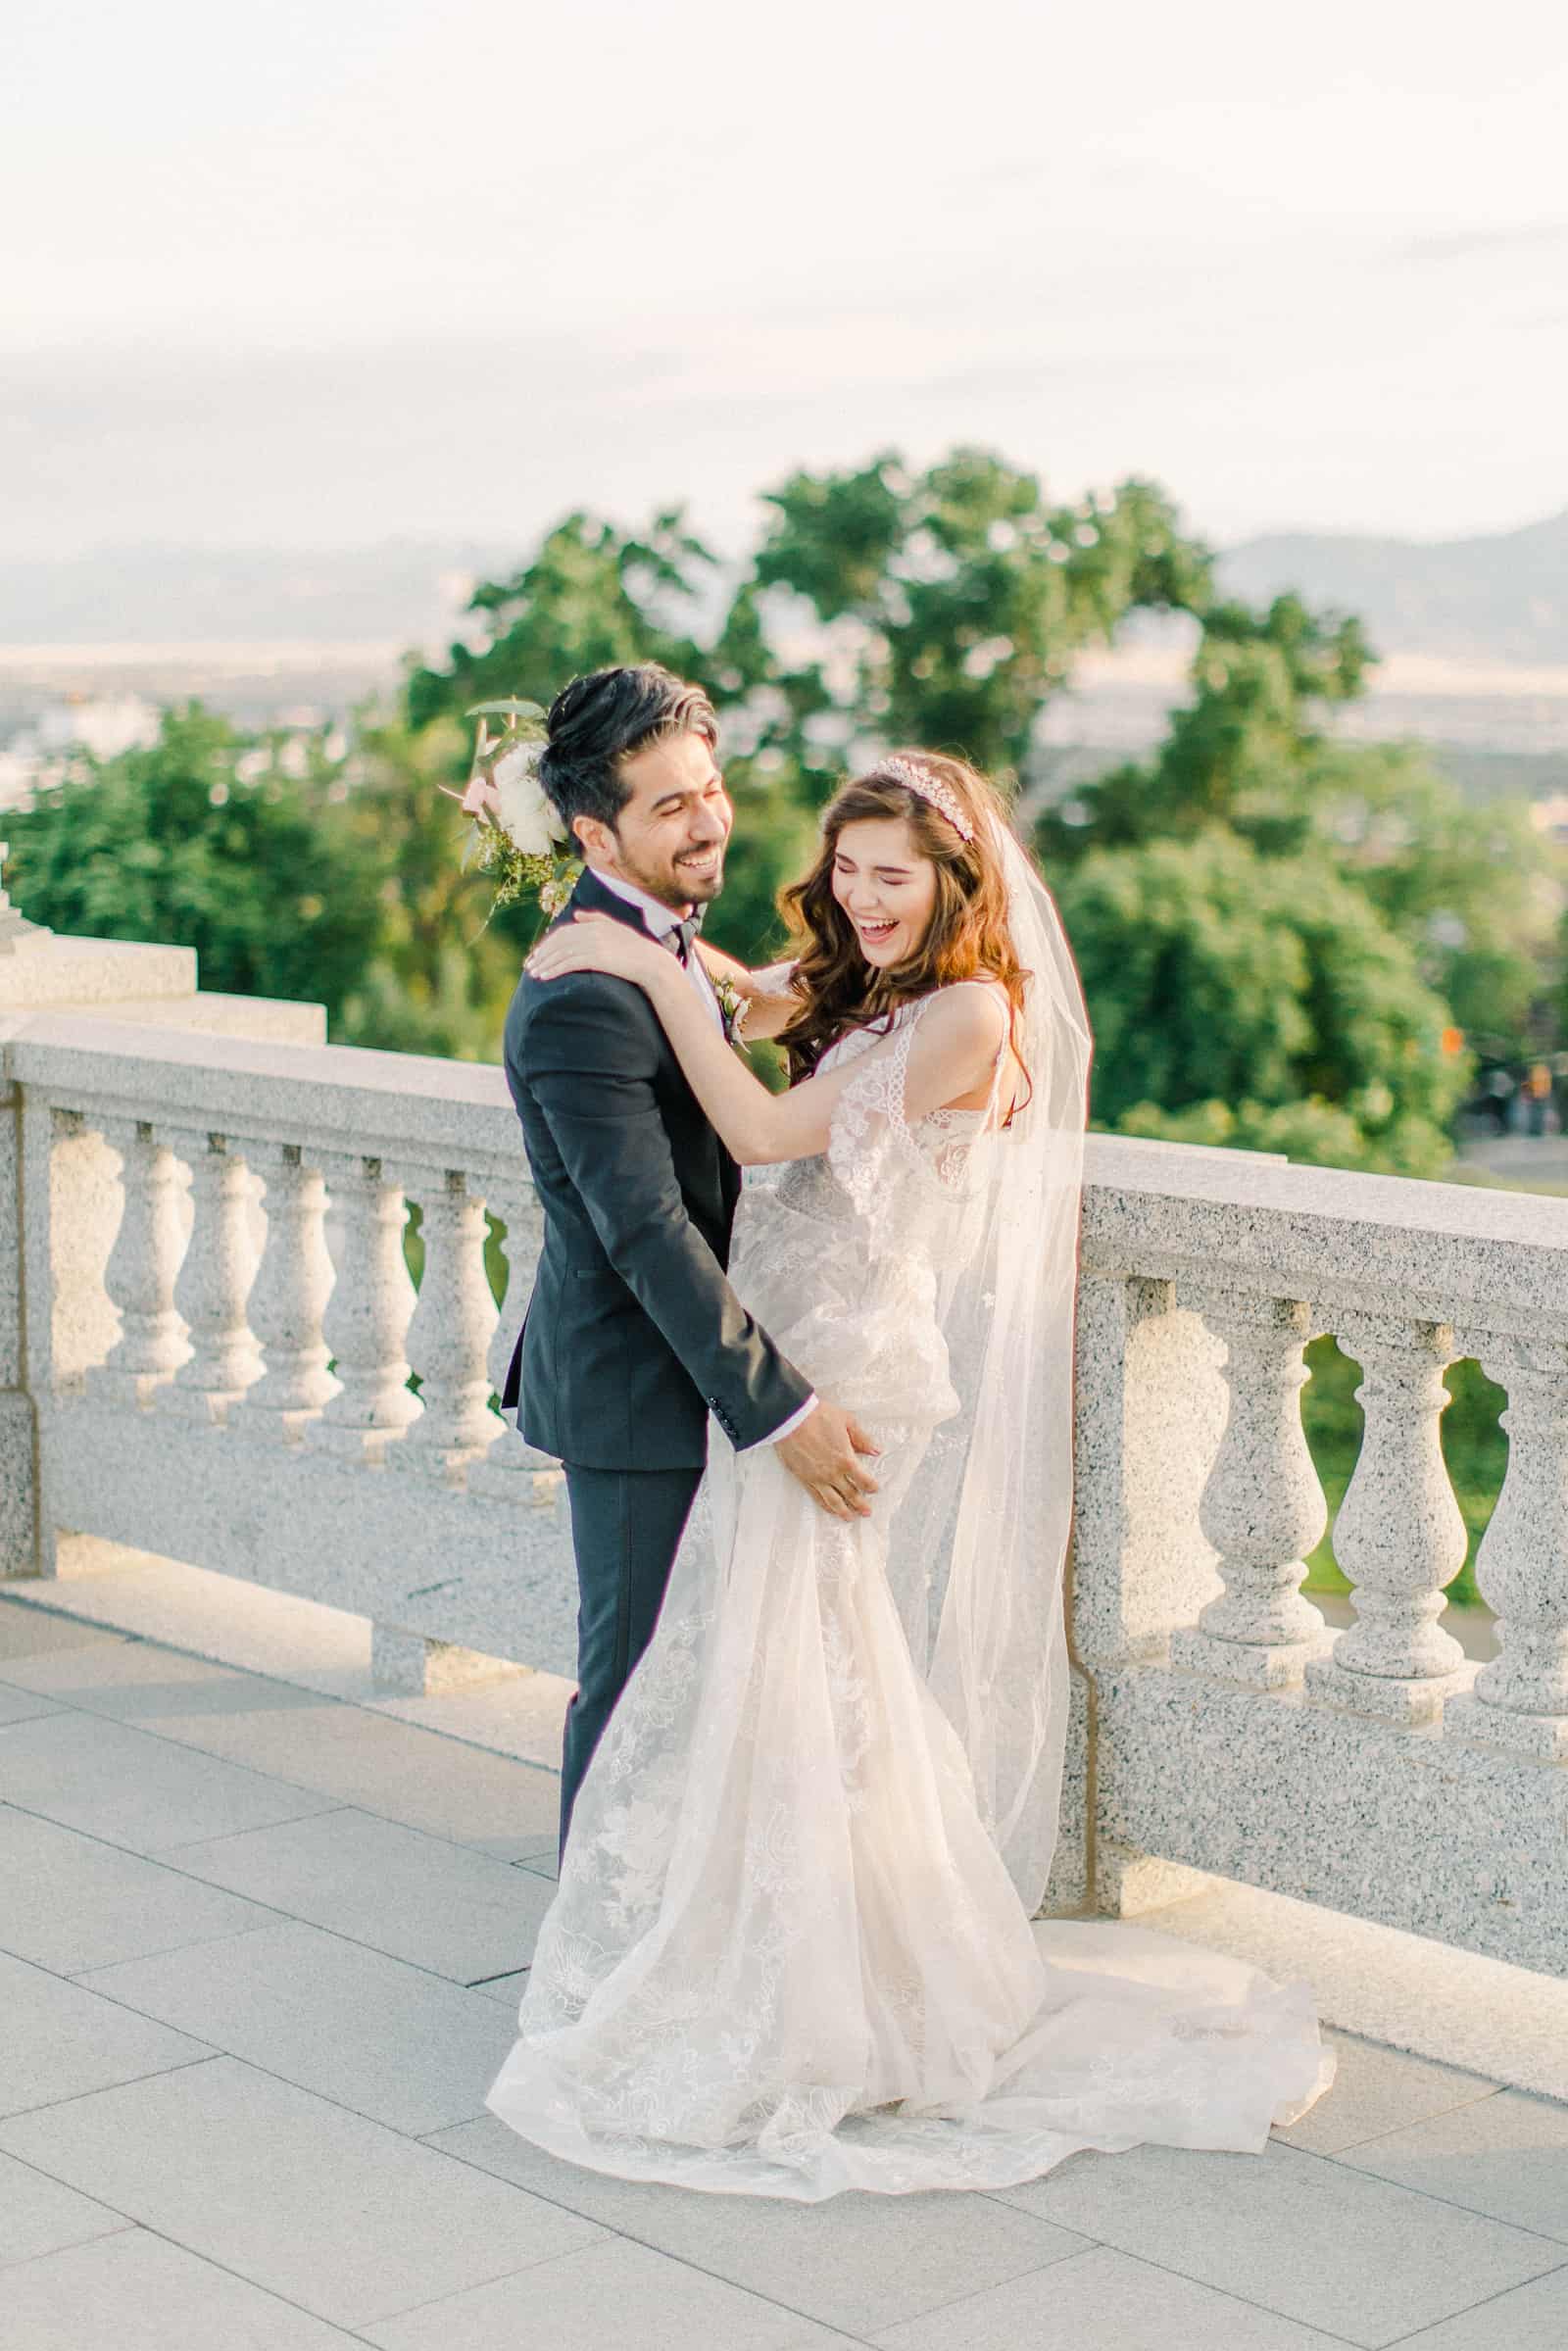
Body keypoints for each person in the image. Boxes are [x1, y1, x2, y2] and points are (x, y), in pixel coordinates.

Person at [485, 744, 1336, 2199]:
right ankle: (788, 1947)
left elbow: (753, 1123)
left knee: (786, 1653)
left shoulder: (970, 1013)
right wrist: (651, 942)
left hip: (839, 1375)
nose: (866, 898)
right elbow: (760, 999)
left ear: (961, 883)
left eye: (898, 874)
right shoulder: (872, 993)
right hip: (796, 1344)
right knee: (799, 1669)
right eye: (850, 871)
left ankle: (794, 1982)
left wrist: (619, 964)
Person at [498, 666, 882, 1860]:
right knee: (633, 1684)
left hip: (700, 1367)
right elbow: (642, 1230)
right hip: (632, 1389)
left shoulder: (657, 943)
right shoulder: (582, 995)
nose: (710, 820)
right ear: (592, 831)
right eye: (669, 807)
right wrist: (780, 1410)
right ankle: (590, 1959)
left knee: (712, 1673)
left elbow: (734, 1008)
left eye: (709, 789)